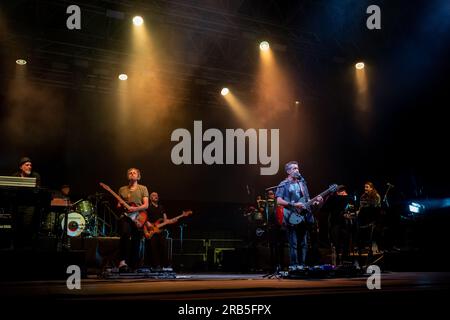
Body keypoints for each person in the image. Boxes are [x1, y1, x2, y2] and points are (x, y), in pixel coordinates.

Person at [276, 161, 323, 271]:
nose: (297, 170)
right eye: (294, 168)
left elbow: (307, 200)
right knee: (293, 243)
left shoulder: (302, 183)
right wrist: (293, 204)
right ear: (288, 171)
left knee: (304, 243)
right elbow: (278, 200)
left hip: (303, 216)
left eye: (297, 168)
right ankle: (294, 265)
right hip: (291, 216)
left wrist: (317, 202)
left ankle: (303, 265)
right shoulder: (283, 184)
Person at [117, 168, 149, 272]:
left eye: (134, 173)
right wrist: (120, 205)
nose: (132, 174)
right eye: (130, 173)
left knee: (136, 239)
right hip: (125, 217)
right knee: (125, 235)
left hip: (139, 217)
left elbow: (146, 205)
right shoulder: (122, 189)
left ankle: (134, 264)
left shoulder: (143, 188)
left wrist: (135, 209)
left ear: (138, 176)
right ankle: (122, 262)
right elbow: (118, 205)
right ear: (128, 176)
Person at [11, 157, 44, 248]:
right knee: (16, 227)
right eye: (27, 165)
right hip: (17, 205)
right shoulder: (15, 176)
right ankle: (15, 246)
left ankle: (26, 247)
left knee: (27, 226)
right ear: (21, 167)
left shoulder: (35, 176)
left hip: (30, 205)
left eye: (30, 165)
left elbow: (37, 191)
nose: (29, 167)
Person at [144, 192, 175, 271]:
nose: (156, 196)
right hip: (152, 230)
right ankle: (155, 266)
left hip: (161, 230)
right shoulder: (148, 207)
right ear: (150, 198)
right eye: (154, 195)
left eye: (157, 195)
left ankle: (164, 266)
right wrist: (147, 229)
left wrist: (170, 221)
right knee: (153, 249)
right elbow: (144, 219)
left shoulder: (161, 207)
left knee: (163, 247)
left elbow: (165, 219)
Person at [355, 181, 381, 264]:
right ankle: (361, 250)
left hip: (374, 219)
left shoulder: (376, 196)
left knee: (372, 236)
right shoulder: (363, 196)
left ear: (371, 188)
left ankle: (374, 249)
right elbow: (361, 207)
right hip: (364, 219)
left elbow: (376, 208)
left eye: (367, 187)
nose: (365, 188)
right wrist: (358, 212)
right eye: (365, 187)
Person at [266, 190, 285, 272]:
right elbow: (269, 216)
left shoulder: (280, 203)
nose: (271, 195)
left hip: (281, 228)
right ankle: (273, 266)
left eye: (272, 193)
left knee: (281, 247)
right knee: (273, 247)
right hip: (273, 228)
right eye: (269, 194)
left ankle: (282, 265)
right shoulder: (268, 204)